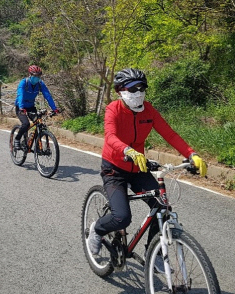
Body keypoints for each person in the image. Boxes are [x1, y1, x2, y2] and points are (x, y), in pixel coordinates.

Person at [87, 68, 208, 255]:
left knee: (161, 208)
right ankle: (97, 229)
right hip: (115, 168)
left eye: (142, 88)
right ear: (121, 90)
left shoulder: (149, 110)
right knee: (122, 218)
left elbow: (170, 134)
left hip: (138, 168)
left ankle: (154, 252)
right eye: (133, 89)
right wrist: (128, 150)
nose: (139, 93)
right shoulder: (114, 109)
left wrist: (192, 154)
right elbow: (110, 136)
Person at [13, 65, 59, 150]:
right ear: (30, 75)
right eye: (35, 76)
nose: (37, 78)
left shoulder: (40, 84)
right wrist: (21, 107)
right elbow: (20, 95)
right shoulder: (24, 83)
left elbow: (47, 95)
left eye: (39, 76)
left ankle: (37, 144)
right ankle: (17, 139)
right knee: (25, 124)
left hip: (31, 106)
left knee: (39, 123)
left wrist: (54, 108)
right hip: (20, 107)